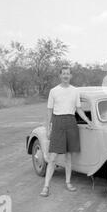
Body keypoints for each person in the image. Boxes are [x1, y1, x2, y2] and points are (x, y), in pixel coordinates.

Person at [40, 66, 93, 197]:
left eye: (68, 74)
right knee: (52, 157)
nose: (65, 76)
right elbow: (49, 111)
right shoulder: (53, 91)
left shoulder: (75, 91)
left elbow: (78, 108)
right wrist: (48, 128)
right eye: (63, 73)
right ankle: (46, 186)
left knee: (68, 156)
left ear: (71, 76)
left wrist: (88, 120)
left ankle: (68, 182)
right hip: (57, 122)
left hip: (71, 121)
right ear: (60, 75)